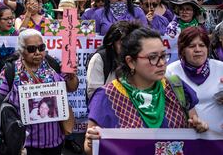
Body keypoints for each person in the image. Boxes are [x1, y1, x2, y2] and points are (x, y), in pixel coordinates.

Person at [84, 27, 208, 155]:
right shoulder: (106, 96)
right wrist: (91, 141)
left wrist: (198, 128)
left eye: (163, 56)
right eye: (153, 57)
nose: (161, 63)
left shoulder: (177, 87)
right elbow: (90, 148)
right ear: (131, 62)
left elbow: (193, 126)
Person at [0, 29, 79, 155]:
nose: (37, 52)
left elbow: (72, 87)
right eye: (31, 49)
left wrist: (72, 77)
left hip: (54, 141)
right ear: (21, 50)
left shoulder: (54, 64)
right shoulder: (11, 71)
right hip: (25, 144)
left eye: (41, 48)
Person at [166, 27, 223, 133]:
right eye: (192, 46)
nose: (198, 49)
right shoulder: (170, 71)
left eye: (202, 45)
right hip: (188, 138)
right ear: (182, 49)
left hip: (218, 139)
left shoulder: (220, 68)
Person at [86, 21, 141, 99]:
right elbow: (94, 94)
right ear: (112, 42)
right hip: (106, 108)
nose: (125, 45)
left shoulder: (135, 58)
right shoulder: (99, 58)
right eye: (121, 42)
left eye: (128, 41)